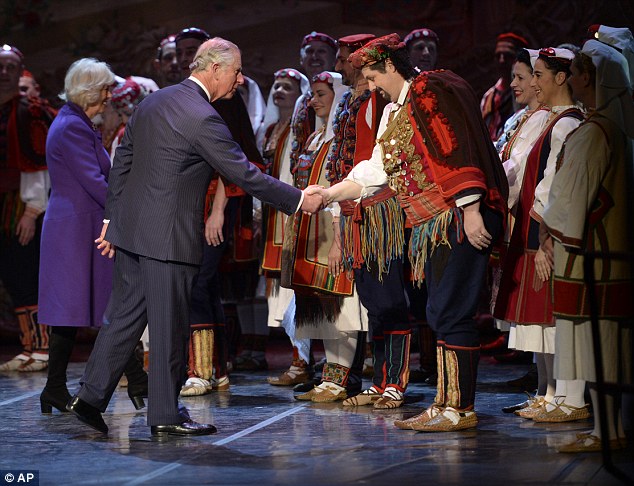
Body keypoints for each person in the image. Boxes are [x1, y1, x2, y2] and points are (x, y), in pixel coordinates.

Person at [66, 38, 321, 437]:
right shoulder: (203, 116)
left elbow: (122, 163)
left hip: (132, 232)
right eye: (236, 71)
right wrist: (300, 199)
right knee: (170, 326)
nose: (240, 79)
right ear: (214, 69)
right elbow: (242, 173)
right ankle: (165, 415)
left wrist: (112, 220)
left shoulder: (154, 101)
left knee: (124, 320)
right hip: (168, 239)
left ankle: (89, 398)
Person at [309, 34, 508, 431]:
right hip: (431, 222)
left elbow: (455, 147)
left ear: (389, 65)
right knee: (439, 310)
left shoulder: (429, 89)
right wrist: (329, 193)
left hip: (456, 215)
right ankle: (447, 402)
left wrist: (471, 210)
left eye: (372, 76)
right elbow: (376, 170)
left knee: (452, 310)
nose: (371, 86)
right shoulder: (395, 110)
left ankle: (458, 408)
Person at [38, 58, 148, 414]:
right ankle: (61, 387)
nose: (109, 96)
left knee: (99, 306)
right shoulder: (72, 126)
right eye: (105, 89)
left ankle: (57, 388)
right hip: (75, 229)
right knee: (88, 307)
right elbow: (94, 181)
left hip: (81, 224)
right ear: (89, 92)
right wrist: (128, 210)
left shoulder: (76, 122)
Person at [541, 39, 634, 453]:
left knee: (601, 347)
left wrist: (549, 231)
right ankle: (606, 429)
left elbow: (571, 197)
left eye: (577, 73)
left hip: (592, 256)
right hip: (602, 254)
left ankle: (608, 432)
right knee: (603, 347)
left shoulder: (595, 133)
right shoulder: (611, 128)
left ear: (585, 79)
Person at [174, 26, 264, 397]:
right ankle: (216, 368)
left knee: (198, 281)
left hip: (216, 203)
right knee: (205, 283)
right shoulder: (188, 97)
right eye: (182, 52)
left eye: (192, 50)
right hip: (192, 204)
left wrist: (217, 211)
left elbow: (237, 160)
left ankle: (201, 370)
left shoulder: (227, 100)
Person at [498, 48, 587, 424]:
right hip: (537, 228)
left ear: (561, 78)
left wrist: (544, 239)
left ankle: (568, 396)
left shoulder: (567, 123)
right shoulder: (552, 121)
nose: (533, 83)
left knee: (554, 316)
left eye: (538, 75)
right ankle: (550, 392)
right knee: (541, 317)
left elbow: (553, 186)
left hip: (548, 231)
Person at [326, 33, 410, 409]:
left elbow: (382, 164)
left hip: (381, 207)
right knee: (373, 301)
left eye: (347, 60)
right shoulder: (357, 105)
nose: (342, 66)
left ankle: (395, 382)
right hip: (355, 207)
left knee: (389, 298)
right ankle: (380, 381)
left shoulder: (384, 104)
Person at [281, 71, 367, 403]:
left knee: (341, 306)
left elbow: (344, 188)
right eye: (313, 94)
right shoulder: (317, 138)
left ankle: (341, 379)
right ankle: (330, 377)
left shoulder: (343, 140)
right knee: (321, 305)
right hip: (312, 231)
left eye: (321, 94)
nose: (313, 100)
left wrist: (338, 240)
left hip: (333, 228)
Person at [492, 48, 553, 416]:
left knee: (540, 308)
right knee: (530, 312)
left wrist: (491, 189)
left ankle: (554, 392)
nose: (514, 83)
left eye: (521, 77)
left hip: (531, 216)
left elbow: (520, 168)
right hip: (516, 216)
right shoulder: (522, 118)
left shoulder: (548, 119)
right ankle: (543, 389)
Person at [253, 68, 310, 380]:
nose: (279, 91)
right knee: (279, 291)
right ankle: (296, 357)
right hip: (273, 216)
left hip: (291, 212)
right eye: (276, 86)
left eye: (287, 87)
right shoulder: (272, 129)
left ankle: (302, 361)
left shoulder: (301, 128)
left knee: (294, 286)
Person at [0, 44, 54, 372]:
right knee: (10, 275)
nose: (5, 73)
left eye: (11, 67)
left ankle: (43, 347)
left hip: (20, 204)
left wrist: (32, 212)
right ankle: (28, 346)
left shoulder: (27, 111)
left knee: (26, 271)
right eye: (0, 67)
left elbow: (37, 165)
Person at [481, 32, 529, 142]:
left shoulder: (527, 95)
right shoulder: (488, 96)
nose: (502, 60)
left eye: (508, 56)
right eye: (498, 56)